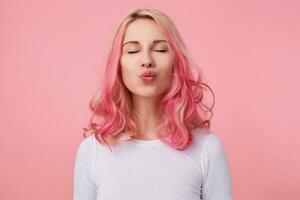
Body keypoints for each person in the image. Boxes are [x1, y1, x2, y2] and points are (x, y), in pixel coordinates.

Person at [73, 7, 232, 200]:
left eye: (160, 49)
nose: (147, 60)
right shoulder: (92, 151)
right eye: (132, 50)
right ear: (118, 64)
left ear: (176, 61)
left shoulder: (207, 148)